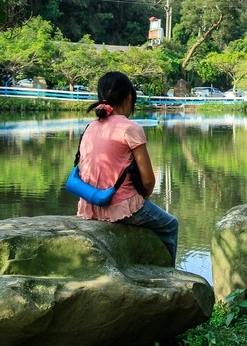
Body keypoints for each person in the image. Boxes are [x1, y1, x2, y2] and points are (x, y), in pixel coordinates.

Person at [76, 71, 178, 262]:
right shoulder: (130, 128)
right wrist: (143, 197)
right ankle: (168, 274)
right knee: (171, 225)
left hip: (89, 205)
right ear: (129, 97)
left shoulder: (90, 127)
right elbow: (148, 180)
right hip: (120, 207)